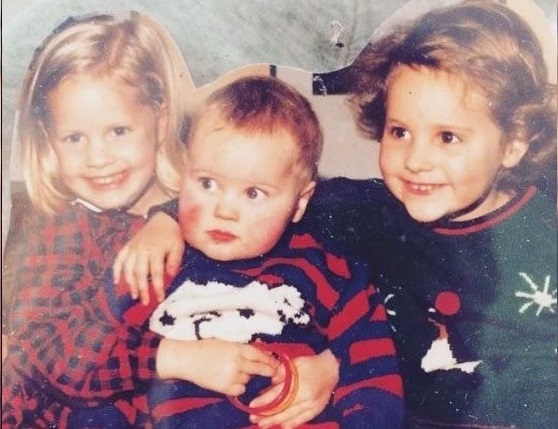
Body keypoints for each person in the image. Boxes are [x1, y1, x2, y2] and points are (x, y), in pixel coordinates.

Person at [116, 1, 557, 427]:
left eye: (447, 137)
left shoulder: (546, 230)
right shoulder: (368, 212)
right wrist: (166, 219)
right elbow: (259, 197)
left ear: (514, 142)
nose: (416, 160)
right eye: (400, 132)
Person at [0, 11, 280, 428]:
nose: (98, 158)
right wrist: (174, 358)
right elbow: (47, 356)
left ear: (160, 119)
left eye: (118, 131)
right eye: (74, 138)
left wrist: (324, 369)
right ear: (49, 144)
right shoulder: (63, 231)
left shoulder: (212, 211)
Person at [109, 75, 404, 428]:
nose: (224, 210)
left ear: (299, 202)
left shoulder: (330, 270)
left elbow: (373, 372)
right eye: (207, 183)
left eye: (253, 193)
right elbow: (104, 370)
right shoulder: (155, 262)